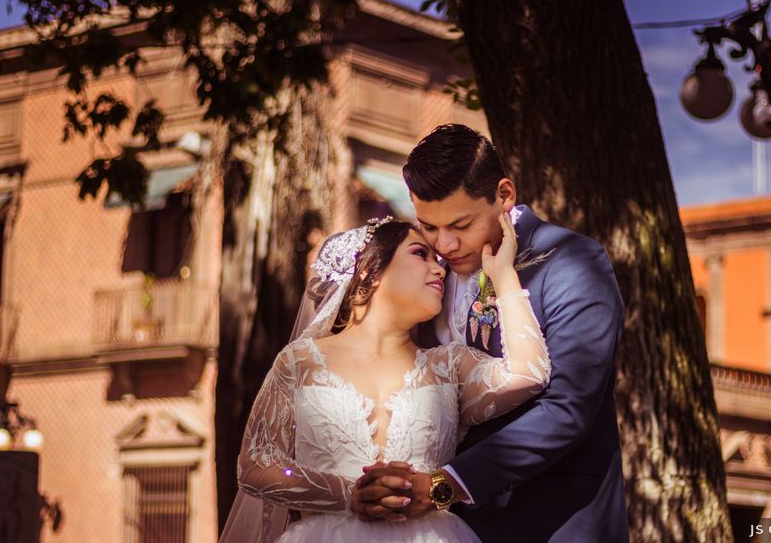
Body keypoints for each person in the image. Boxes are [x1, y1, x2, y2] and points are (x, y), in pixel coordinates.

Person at [352, 124, 630, 542]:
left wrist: (445, 486)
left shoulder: (572, 263)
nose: (444, 244)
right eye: (428, 226)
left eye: (461, 224)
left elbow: (568, 410)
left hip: (554, 524)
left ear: (504, 195)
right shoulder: (426, 275)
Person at [219, 211, 552, 542]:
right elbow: (257, 465)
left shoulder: (448, 365)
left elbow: (530, 372)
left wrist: (504, 276)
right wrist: (347, 494)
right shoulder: (300, 362)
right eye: (420, 253)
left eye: (437, 260)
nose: (439, 268)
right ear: (369, 271)